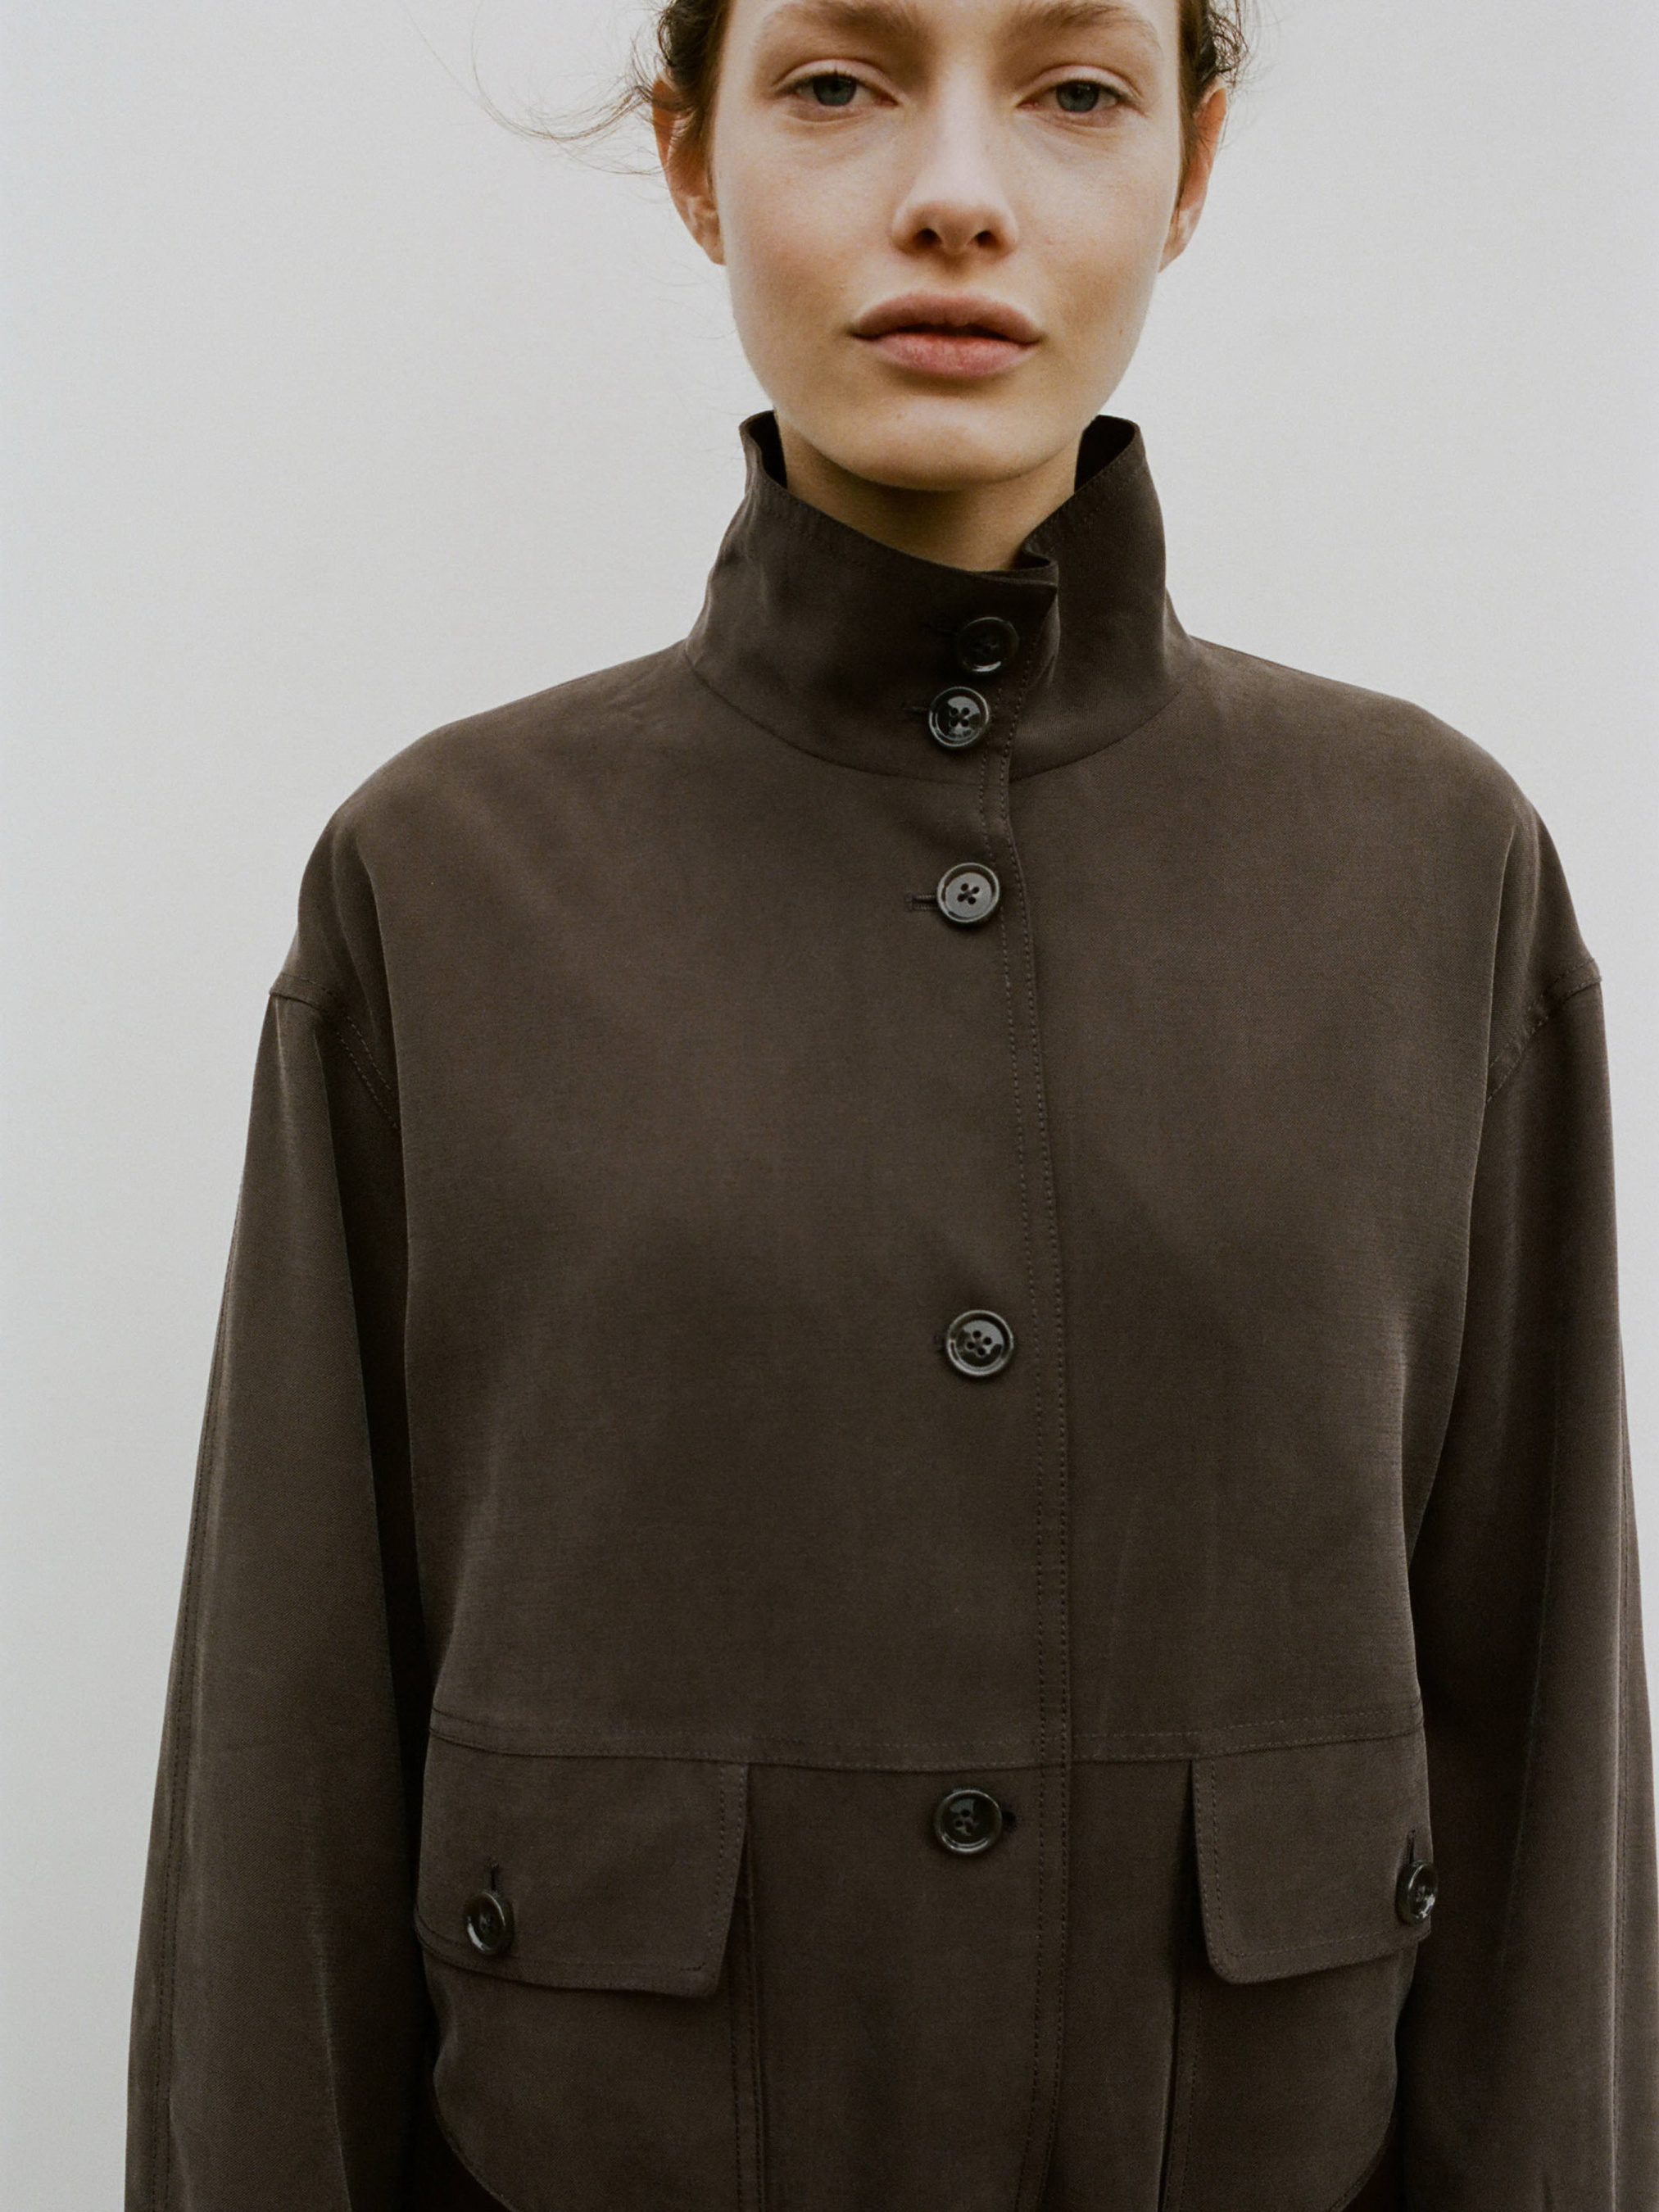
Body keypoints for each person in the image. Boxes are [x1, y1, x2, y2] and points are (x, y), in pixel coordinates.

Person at [125, 0, 1659, 2205]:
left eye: (1074, 91)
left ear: (1192, 164)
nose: (954, 195)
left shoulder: (1432, 875)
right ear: (692, 155)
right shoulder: (440, 890)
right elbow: (281, 1803)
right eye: (837, 84)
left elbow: (1542, 1800)